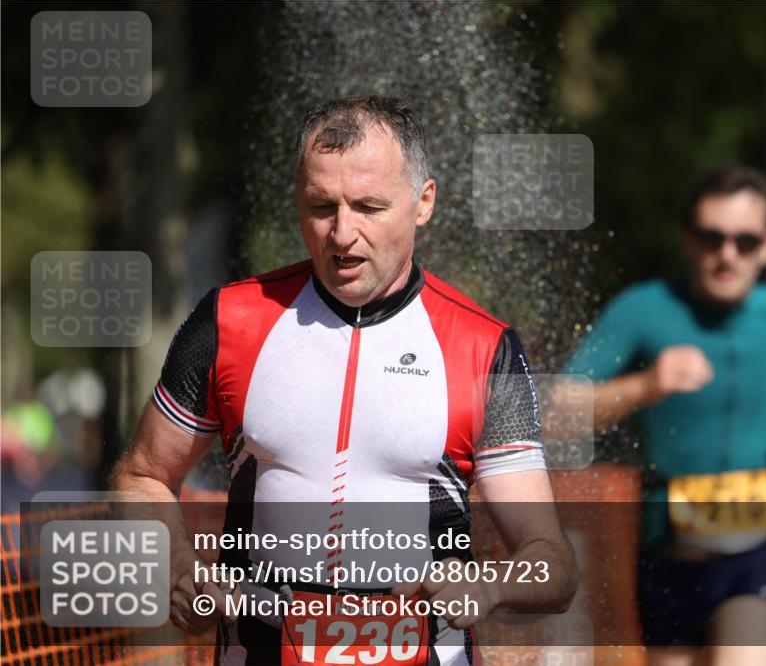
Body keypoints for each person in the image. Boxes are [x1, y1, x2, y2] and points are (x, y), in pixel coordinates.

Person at [111, 95, 576, 665]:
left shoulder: (485, 347)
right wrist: (179, 569)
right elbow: (142, 476)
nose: (342, 233)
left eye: (369, 207)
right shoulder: (229, 319)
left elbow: (550, 563)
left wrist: (491, 586)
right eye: (321, 206)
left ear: (423, 202)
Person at [550, 164, 766, 666]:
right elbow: (557, 411)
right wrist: (647, 384)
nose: (727, 254)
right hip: (669, 559)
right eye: (712, 237)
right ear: (688, 238)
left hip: (762, 553)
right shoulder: (642, 309)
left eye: (745, 241)